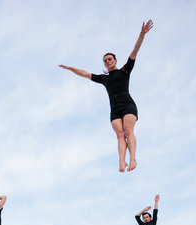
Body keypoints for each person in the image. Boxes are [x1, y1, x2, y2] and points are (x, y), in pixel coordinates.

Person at [59, 20, 154, 172]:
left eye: (110, 59)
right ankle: (121, 162)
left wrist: (142, 33)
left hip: (128, 104)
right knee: (119, 135)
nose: (108, 61)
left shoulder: (125, 71)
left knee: (129, 131)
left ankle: (133, 160)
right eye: (105, 61)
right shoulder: (104, 79)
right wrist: (70, 68)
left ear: (115, 61)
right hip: (114, 109)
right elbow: (84, 73)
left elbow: (135, 51)